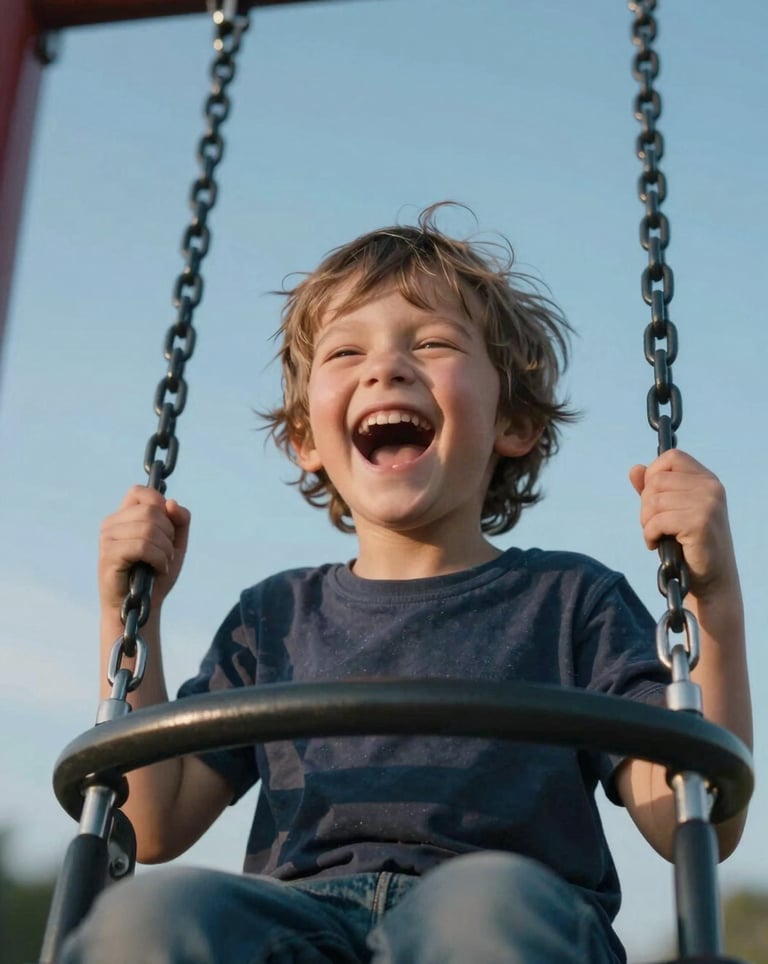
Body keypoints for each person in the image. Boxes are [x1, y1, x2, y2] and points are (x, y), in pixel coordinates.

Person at [61, 204, 751, 963]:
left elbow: (694, 816)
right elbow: (155, 822)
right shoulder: (274, 618)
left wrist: (709, 602)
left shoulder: (570, 602)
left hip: (502, 917)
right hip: (302, 923)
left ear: (513, 423)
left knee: (484, 903)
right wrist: (132, 611)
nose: (385, 367)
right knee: (155, 915)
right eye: (345, 352)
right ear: (304, 440)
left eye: (431, 342)